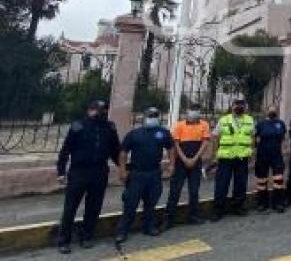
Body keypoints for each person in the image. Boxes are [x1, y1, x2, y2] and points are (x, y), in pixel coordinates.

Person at [56, 100, 121, 254]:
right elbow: (65, 150)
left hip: (99, 172)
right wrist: (61, 171)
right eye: (97, 110)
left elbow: (115, 151)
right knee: (70, 207)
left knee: (93, 208)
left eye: (103, 110)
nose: (100, 113)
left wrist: (124, 168)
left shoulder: (109, 128)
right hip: (79, 172)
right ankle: (64, 240)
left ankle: (87, 236)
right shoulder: (78, 126)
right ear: (89, 110)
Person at [115, 107, 174, 244]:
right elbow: (123, 152)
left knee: (151, 203)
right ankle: (122, 232)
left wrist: (171, 165)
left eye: (154, 115)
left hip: (154, 173)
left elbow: (171, 148)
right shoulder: (134, 134)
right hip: (137, 174)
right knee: (130, 204)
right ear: (144, 117)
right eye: (149, 115)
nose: (152, 117)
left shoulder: (163, 133)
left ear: (158, 117)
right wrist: (122, 170)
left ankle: (149, 227)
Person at [164, 103, 210, 228]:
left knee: (194, 191)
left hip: (196, 162)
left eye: (196, 110)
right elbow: (176, 144)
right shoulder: (179, 125)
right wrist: (184, 159)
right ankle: (169, 219)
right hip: (180, 163)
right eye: (192, 110)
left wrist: (194, 159)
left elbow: (205, 143)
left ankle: (193, 216)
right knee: (175, 191)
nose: (194, 112)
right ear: (186, 111)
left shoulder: (204, 125)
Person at [210, 98, 255, 221]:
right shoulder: (224, 120)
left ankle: (238, 207)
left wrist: (251, 152)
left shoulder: (249, 120)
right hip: (225, 157)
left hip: (242, 157)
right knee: (221, 184)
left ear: (245, 107)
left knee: (240, 183)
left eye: (242, 104)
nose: (239, 106)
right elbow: (215, 137)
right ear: (232, 106)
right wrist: (215, 155)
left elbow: (252, 137)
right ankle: (218, 210)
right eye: (237, 104)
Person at [254, 104, 287, 213]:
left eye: (274, 109)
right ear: (266, 111)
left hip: (276, 155)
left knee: (278, 179)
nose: (272, 111)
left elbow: (283, 138)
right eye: (270, 109)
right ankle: (262, 204)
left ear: (277, 111)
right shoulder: (260, 124)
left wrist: (284, 150)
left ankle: (278, 203)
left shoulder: (280, 124)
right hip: (262, 155)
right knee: (261, 180)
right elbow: (255, 139)